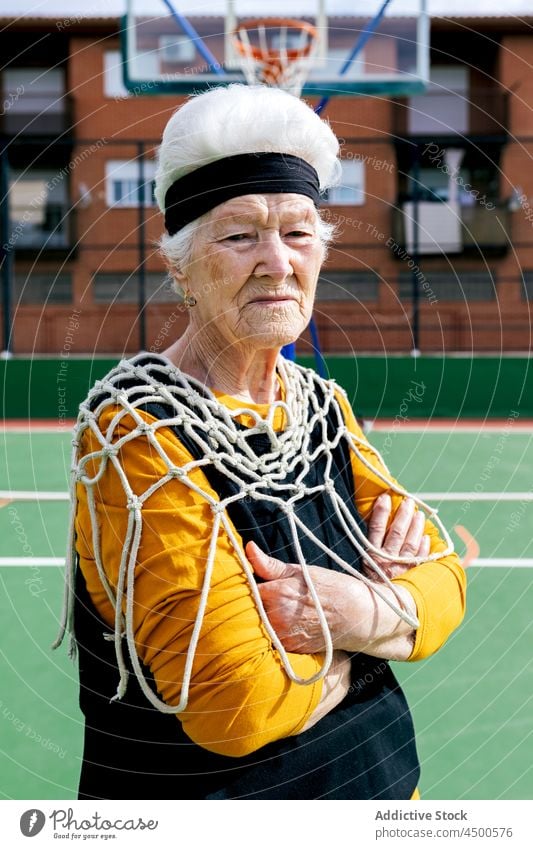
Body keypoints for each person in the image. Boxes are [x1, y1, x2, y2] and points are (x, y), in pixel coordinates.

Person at [56, 84, 466, 800]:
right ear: (180, 266)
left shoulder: (320, 407)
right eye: (239, 234)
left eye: (298, 232)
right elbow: (234, 704)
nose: (277, 261)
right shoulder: (137, 432)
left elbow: (443, 578)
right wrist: (384, 629)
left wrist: (351, 614)